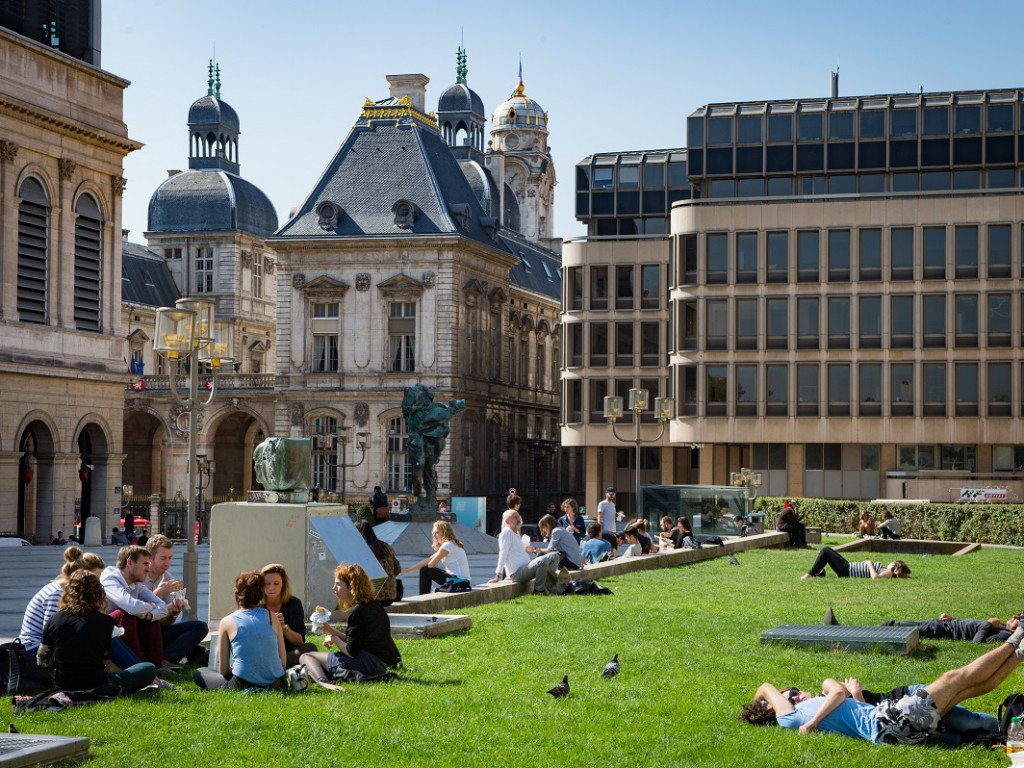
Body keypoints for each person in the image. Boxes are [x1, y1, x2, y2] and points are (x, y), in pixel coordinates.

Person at [740, 623, 1024, 744]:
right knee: (955, 678)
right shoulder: (791, 718)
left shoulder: (804, 715)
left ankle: (1020, 651)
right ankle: (1018, 634)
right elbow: (766, 686)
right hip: (894, 720)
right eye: (789, 693)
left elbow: (858, 712)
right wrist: (768, 702)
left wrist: (854, 696)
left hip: (893, 730)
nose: (793, 693)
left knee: (967, 687)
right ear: (772, 707)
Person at [37, 571, 157, 697]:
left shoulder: (54, 620)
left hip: (63, 687)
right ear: (98, 593)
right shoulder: (105, 621)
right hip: (97, 687)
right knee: (148, 668)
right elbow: (103, 655)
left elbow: (42, 661)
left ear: (68, 592)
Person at [299, 564, 401, 689]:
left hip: (365, 663)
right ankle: (332, 675)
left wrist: (334, 639)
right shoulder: (375, 606)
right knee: (318, 661)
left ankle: (324, 682)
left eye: (338, 584)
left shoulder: (357, 612)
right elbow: (355, 641)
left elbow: (351, 652)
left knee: (307, 656)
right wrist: (331, 631)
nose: (333, 588)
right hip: (379, 665)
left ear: (351, 586)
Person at [193, 571, 286, 691]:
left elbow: (224, 669)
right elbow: (283, 662)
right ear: (261, 595)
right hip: (277, 683)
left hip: (243, 683)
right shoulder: (272, 617)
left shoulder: (227, 622)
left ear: (235, 594)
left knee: (200, 672)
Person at [142, 534, 209, 666]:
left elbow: (164, 623)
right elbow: (136, 614)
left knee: (200, 626)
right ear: (150, 557)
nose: (167, 563)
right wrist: (159, 593)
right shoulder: (140, 576)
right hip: (140, 633)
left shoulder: (167, 576)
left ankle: (167, 659)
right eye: (163, 558)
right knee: (194, 647)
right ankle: (176, 656)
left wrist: (174, 612)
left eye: (170, 558)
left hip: (158, 631)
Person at [101, 545, 169, 665]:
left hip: (118, 631)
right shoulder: (109, 579)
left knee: (150, 617)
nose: (148, 569)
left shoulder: (136, 584)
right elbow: (131, 607)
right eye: (145, 564)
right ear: (130, 562)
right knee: (125, 613)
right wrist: (150, 607)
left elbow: (163, 607)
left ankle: (156, 664)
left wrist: (148, 615)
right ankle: (136, 667)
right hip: (101, 632)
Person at [488, 496, 563, 595]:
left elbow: (524, 547)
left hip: (526, 567)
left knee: (554, 556)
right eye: (515, 518)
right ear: (507, 522)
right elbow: (503, 554)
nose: (518, 519)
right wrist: (498, 575)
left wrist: (530, 548)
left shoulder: (516, 534)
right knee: (543, 561)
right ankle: (539, 590)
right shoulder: (506, 533)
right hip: (517, 572)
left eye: (518, 517)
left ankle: (551, 585)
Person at [259, 563, 317, 667]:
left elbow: (300, 641)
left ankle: (278, 667)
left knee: (310, 648)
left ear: (283, 584)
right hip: (264, 655)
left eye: (276, 583)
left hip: (288, 654)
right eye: (267, 584)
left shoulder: (294, 603)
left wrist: (283, 627)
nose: (271, 588)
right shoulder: (257, 605)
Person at [401, 520, 471, 594]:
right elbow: (428, 560)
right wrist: (407, 571)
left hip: (459, 581)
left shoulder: (447, 545)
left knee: (425, 570)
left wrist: (433, 563)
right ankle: (424, 595)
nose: (434, 535)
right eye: (433, 533)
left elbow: (431, 565)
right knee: (425, 569)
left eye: (437, 532)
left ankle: (424, 597)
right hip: (462, 581)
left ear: (444, 532)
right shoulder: (451, 544)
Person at [354, 519, 402, 605]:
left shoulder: (362, 550)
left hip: (373, 597)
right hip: (390, 597)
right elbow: (397, 569)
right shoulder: (386, 547)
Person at [880, 614, 1018, 643]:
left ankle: (879, 633)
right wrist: (953, 619)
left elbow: (977, 641)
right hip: (946, 624)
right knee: (907, 623)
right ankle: (883, 629)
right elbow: (969, 624)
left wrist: (988, 624)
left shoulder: (1004, 635)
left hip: (944, 630)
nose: (1014, 616)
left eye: (1018, 619)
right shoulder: (1002, 627)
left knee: (905, 628)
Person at [801, 547, 910, 579]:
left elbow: (875, 578)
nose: (891, 562)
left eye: (893, 562)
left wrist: (869, 564)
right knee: (828, 552)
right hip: (848, 567)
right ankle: (817, 573)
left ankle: (809, 574)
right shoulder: (885, 569)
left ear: (895, 565)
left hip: (847, 570)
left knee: (826, 551)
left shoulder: (889, 573)